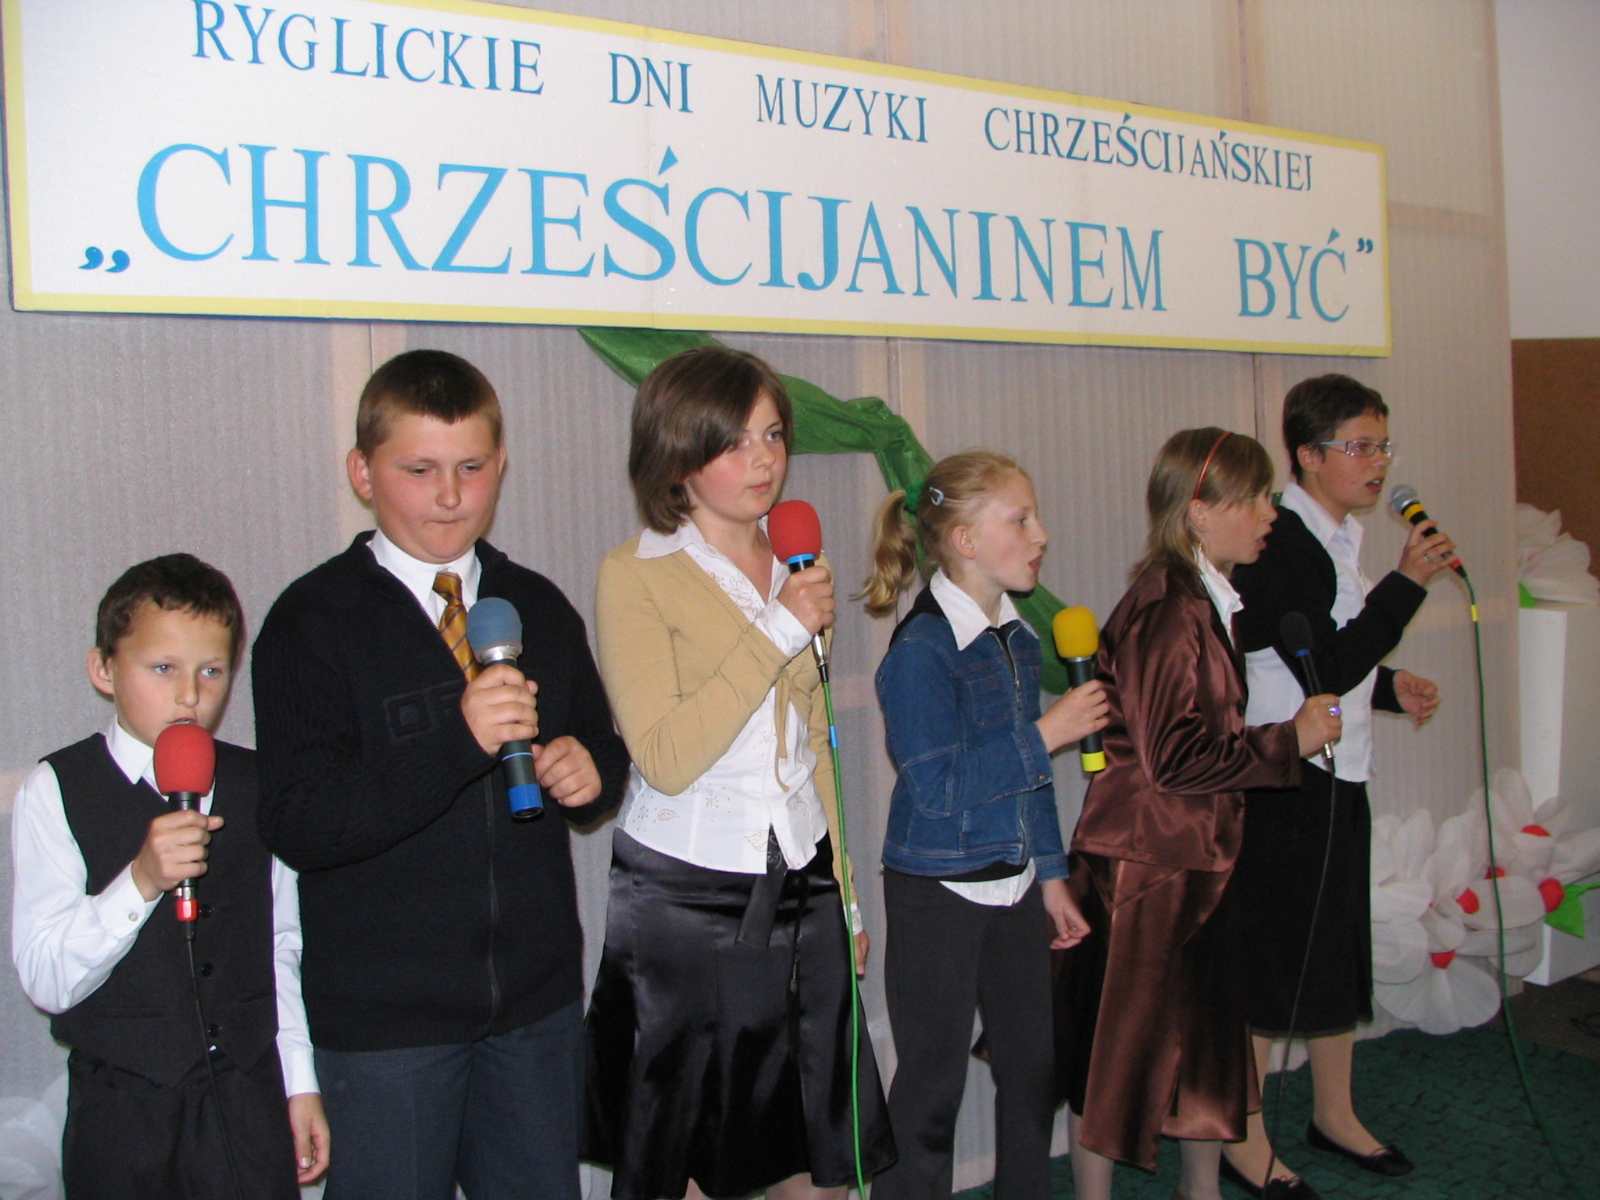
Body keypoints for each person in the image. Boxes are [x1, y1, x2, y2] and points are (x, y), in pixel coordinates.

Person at [251, 349, 629, 1200]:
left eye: (471, 468)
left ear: (502, 465)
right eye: (419, 471)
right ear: (362, 472)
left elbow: (602, 750)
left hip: (532, 1007)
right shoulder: (313, 621)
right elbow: (300, 822)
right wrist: (458, 741)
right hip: (386, 1028)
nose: (450, 495)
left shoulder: (536, 605)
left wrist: (588, 772)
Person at [584, 345, 894, 1200]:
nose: (764, 460)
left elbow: (813, 739)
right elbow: (665, 757)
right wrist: (778, 631)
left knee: (816, 1145)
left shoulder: (796, 563)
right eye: (734, 442)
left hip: (802, 874)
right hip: (687, 893)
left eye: (773, 435)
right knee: (687, 1153)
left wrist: (844, 888)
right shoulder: (636, 573)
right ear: (677, 456)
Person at [1059, 428, 1343, 1200]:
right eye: (1253, 500)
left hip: (1194, 855)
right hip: (1148, 864)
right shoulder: (1168, 610)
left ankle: (1203, 1191)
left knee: (1205, 1045)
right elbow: (1173, 758)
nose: (1269, 515)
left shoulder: (1204, 600)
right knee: (1118, 1057)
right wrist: (1289, 742)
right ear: (1198, 511)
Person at [10, 553, 329, 1199]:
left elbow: (281, 947)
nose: (190, 695)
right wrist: (140, 881)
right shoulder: (56, 789)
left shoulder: (257, 784)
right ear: (104, 670)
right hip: (122, 1116)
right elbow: (47, 979)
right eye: (163, 668)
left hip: (246, 1104)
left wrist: (300, 1083)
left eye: (211, 671)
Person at [1223, 375, 1451, 1195]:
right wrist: (1408, 584)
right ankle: (1243, 1136)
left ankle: (1334, 1112)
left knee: (1333, 950)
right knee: (1271, 957)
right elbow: (1315, 663)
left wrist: (1388, 689)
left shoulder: (1338, 534)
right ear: (1309, 455)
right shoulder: (1280, 542)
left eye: (1382, 445)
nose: (1377, 463)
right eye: (1359, 446)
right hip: (1283, 778)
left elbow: (1331, 655)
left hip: (1338, 770)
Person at [863, 450, 1108, 1200]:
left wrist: (1053, 876)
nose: (1042, 534)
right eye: (1021, 519)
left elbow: (1031, 783)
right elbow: (937, 787)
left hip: (1016, 885)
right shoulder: (921, 650)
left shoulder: (1019, 637)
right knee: (931, 1091)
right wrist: (1050, 733)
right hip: (937, 892)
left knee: (1032, 1077)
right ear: (966, 541)